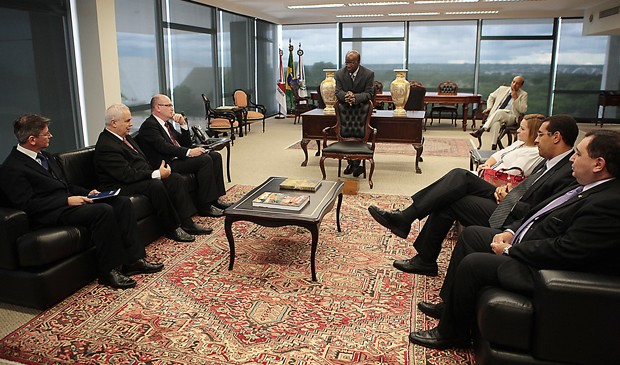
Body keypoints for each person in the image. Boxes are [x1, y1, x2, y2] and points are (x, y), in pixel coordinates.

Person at [409, 129, 620, 350]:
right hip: (527, 241)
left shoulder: (608, 204)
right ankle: (451, 307)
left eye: (578, 154)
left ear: (598, 164)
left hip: (546, 270)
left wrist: (511, 250)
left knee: (474, 265)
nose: (572, 159)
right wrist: (510, 232)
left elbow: (567, 250)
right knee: (472, 235)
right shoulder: (587, 187)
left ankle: (452, 334)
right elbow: (538, 213)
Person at [368, 115, 579, 276]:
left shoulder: (567, 172)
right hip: (510, 200)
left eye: (541, 134)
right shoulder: (551, 160)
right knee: (458, 180)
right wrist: (509, 191)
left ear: (557, 137)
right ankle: (415, 238)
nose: (538, 138)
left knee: (453, 193)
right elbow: (530, 188)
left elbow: (539, 212)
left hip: (514, 217)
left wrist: (511, 200)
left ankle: (411, 230)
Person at [0, 114, 164, 289]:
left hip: (67, 203)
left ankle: (134, 260)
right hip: (50, 213)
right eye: (46, 134)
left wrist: (89, 193)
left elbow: (66, 185)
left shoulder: (45, 156)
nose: (51, 136)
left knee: (121, 202)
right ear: (32, 139)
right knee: (102, 211)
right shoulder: (12, 168)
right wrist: (67, 200)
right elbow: (28, 205)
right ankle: (108, 271)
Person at [94, 103, 211, 243]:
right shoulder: (106, 145)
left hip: (136, 176)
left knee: (174, 178)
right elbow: (126, 175)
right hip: (119, 184)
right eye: (127, 121)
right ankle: (172, 228)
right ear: (113, 123)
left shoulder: (124, 137)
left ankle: (187, 222)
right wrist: (155, 174)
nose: (131, 124)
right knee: (155, 185)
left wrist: (156, 172)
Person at [138, 94, 230, 218]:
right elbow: (163, 146)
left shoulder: (166, 124)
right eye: (168, 105)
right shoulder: (149, 125)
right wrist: (189, 153)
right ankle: (205, 206)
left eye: (172, 105)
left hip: (177, 158)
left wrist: (183, 125)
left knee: (215, 156)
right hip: (166, 164)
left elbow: (184, 143)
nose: (172, 108)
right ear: (158, 107)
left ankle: (215, 200)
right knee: (204, 160)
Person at [334, 50, 375, 177]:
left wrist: (355, 97)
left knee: (359, 136)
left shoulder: (368, 74)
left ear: (358, 62)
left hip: (362, 111)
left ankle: (355, 163)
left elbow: (369, 93)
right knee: (346, 136)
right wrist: (346, 96)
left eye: (351, 63)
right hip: (345, 111)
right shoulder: (340, 74)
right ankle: (352, 163)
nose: (348, 65)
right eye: (346, 62)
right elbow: (338, 91)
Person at [476, 113, 545, 178]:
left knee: (465, 176)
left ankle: (482, 130)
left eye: (522, 129)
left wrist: (488, 172)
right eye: (519, 127)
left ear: (533, 133)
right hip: (490, 174)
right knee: (496, 123)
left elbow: (514, 172)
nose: (518, 130)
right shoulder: (520, 143)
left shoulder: (533, 152)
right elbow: (500, 154)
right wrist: (487, 164)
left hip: (497, 183)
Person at [470, 76, 528, 149]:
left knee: (499, 112)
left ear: (521, 85)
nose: (514, 84)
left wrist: (515, 98)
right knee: (496, 123)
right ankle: (493, 146)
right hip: (498, 115)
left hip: (511, 116)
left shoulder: (523, 94)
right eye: (513, 82)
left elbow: (523, 110)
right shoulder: (502, 89)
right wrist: (489, 107)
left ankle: (481, 130)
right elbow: (491, 97)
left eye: (517, 83)